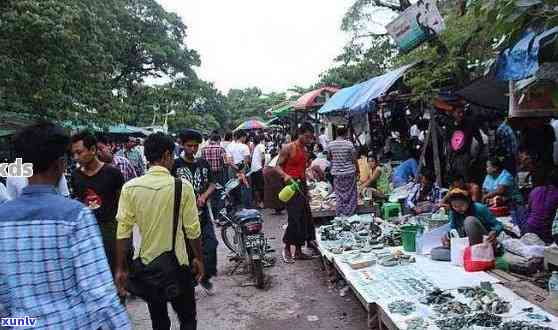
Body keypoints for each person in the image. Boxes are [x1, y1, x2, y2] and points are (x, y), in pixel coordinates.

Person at [0, 122, 130, 329]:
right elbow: (100, 295)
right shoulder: (76, 216)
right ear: (61, 164)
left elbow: (3, 301)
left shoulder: (2, 219)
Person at [115, 132, 204, 330]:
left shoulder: (130, 188)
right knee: (188, 319)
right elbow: (192, 231)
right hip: (179, 265)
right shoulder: (182, 187)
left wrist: (120, 268)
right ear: (166, 155)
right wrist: (199, 258)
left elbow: (123, 233)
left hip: (148, 268)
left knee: (159, 320)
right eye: (172, 155)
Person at [71, 132, 125, 275]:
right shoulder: (76, 176)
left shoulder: (113, 174)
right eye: (74, 154)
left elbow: (123, 207)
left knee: (114, 273)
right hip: (87, 233)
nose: (76, 157)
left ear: (93, 150)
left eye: (79, 152)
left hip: (111, 233)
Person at [174, 129, 218, 295]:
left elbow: (213, 183)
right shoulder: (175, 165)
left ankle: (205, 277)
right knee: (187, 250)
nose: (193, 149)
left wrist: (204, 196)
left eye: (195, 146)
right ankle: (191, 282)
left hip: (202, 213)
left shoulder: (203, 163)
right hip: (183, 216)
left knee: (210, 244)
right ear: (182, 145)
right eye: (189, 146)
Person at [275, 123, 318, 263]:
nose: (309, 140)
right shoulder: (288, 148)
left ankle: (298, 251)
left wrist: (308, 181)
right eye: (306, 137)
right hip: (290, 186)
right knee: (294, 218)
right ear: (300, 134)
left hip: (301, 185)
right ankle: (287, 248)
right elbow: (277, 166)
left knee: (304, 218)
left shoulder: (305, 150)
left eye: (310, 138)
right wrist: (285, 176)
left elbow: (302, 168)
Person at [516, 168, 558, 243]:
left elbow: (529, 211)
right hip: (546, 233)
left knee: (519, 208)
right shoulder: (555, 194)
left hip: (528, 229)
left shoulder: (536, 190)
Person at [327, 126, 359, 216]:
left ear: (337, 133)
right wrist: (358, 170)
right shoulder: (349, 144)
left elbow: (329, 157)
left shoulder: (331, 144)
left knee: (339, 195)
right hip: (349, 172)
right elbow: (354, 159)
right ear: (345, 133)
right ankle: (350, 214)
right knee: (351, 195)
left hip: (337, 174)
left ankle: (340, 214)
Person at [448, 105, 484, 182]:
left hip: (465, 157)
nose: (461, 115)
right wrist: (448, 160)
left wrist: (475, 158)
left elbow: (480, 141)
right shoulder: (450, 124)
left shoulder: (470, 123)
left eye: (462, 112)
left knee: (465, 180)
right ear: (453, 113)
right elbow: (448, 143)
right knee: (453, 180)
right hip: (453, 158)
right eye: (458, 112)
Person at [226, 130, 251, 208]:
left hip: (232, 169)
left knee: (233, 187)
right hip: (243, 168)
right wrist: (241, 170)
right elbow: (246, 160)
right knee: (245, 187)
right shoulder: (245, 146)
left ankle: (234, 206)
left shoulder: (229, 146)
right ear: (243, 137)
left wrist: (236, 168)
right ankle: (246, 207)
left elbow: (229, 161)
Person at [250, 134, 266, 208]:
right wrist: (263, 166)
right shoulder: (260, 146)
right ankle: (261, 202)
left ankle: (258, 202)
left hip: (253, 169)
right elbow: (263, 156)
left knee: (256, 186)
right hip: (258, 168)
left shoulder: (256, 147)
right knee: (260, 186)